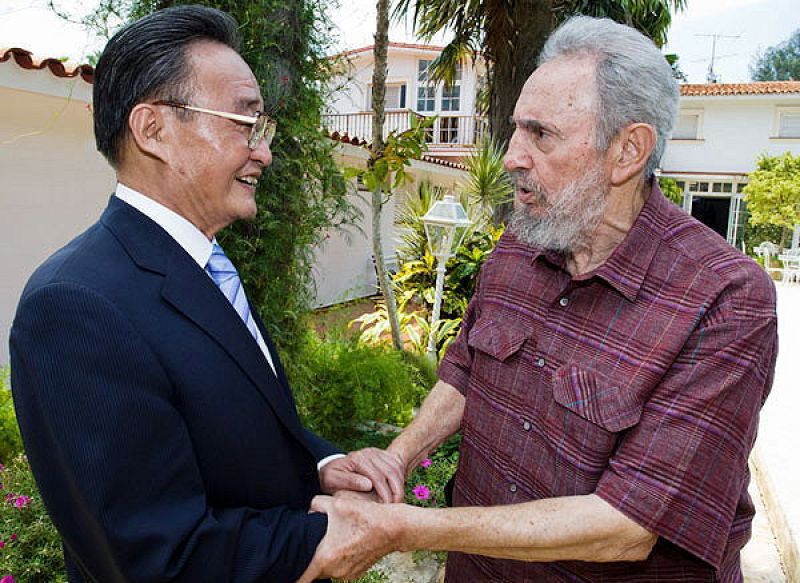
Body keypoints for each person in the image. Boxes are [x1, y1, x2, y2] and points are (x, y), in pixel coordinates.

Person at [297, 15, 779, 582]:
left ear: (628, 151)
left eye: (540, 135)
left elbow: (629, 524)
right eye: (515, 131)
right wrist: (396, 458)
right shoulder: (520, 244)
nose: (511, 157)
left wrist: (405, 528)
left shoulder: (724, 297)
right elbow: (467, 370)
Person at [9, 6, 403, 582]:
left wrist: (323, 464)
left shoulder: (205, 264)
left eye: (263, 128)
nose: (263, 151)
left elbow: (236, 424)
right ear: (153, 130)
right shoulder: (76, 305)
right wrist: (334, 534)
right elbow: (161, 558)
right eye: (245, 122)